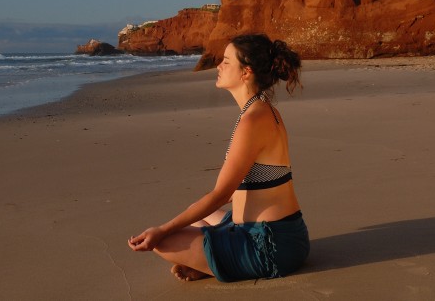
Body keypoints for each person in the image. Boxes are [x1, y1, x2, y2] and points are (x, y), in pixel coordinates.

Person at [128, 34, 309, 282]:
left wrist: (162, 230)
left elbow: (221, 195)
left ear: (245, 72)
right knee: (201, 216)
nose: (218, 66)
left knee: (163, 242)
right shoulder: (261, 109)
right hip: (284, 233)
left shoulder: (254, 120)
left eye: (226, 61)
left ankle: (210, 265)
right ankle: (211, 261)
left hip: (271, 246)